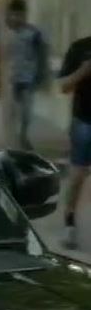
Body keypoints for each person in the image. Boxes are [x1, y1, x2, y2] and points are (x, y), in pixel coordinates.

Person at [58, 35, 91, 248]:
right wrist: (84, 71)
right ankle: (69, 223)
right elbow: (64, 87)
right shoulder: (80, 47)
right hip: (84, 121)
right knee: (78, 174)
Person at [5, 0, 49, 150]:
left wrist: (42, 75)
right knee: (12, 112)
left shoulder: (33, 33)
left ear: (24, 14)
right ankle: (13, 139)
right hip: (12, 78)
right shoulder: (8, 33)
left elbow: (42, 54)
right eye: (13, 14)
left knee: (25, 111)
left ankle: (23, 136)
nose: (16, 18)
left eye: (19, 14)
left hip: (28, 77)